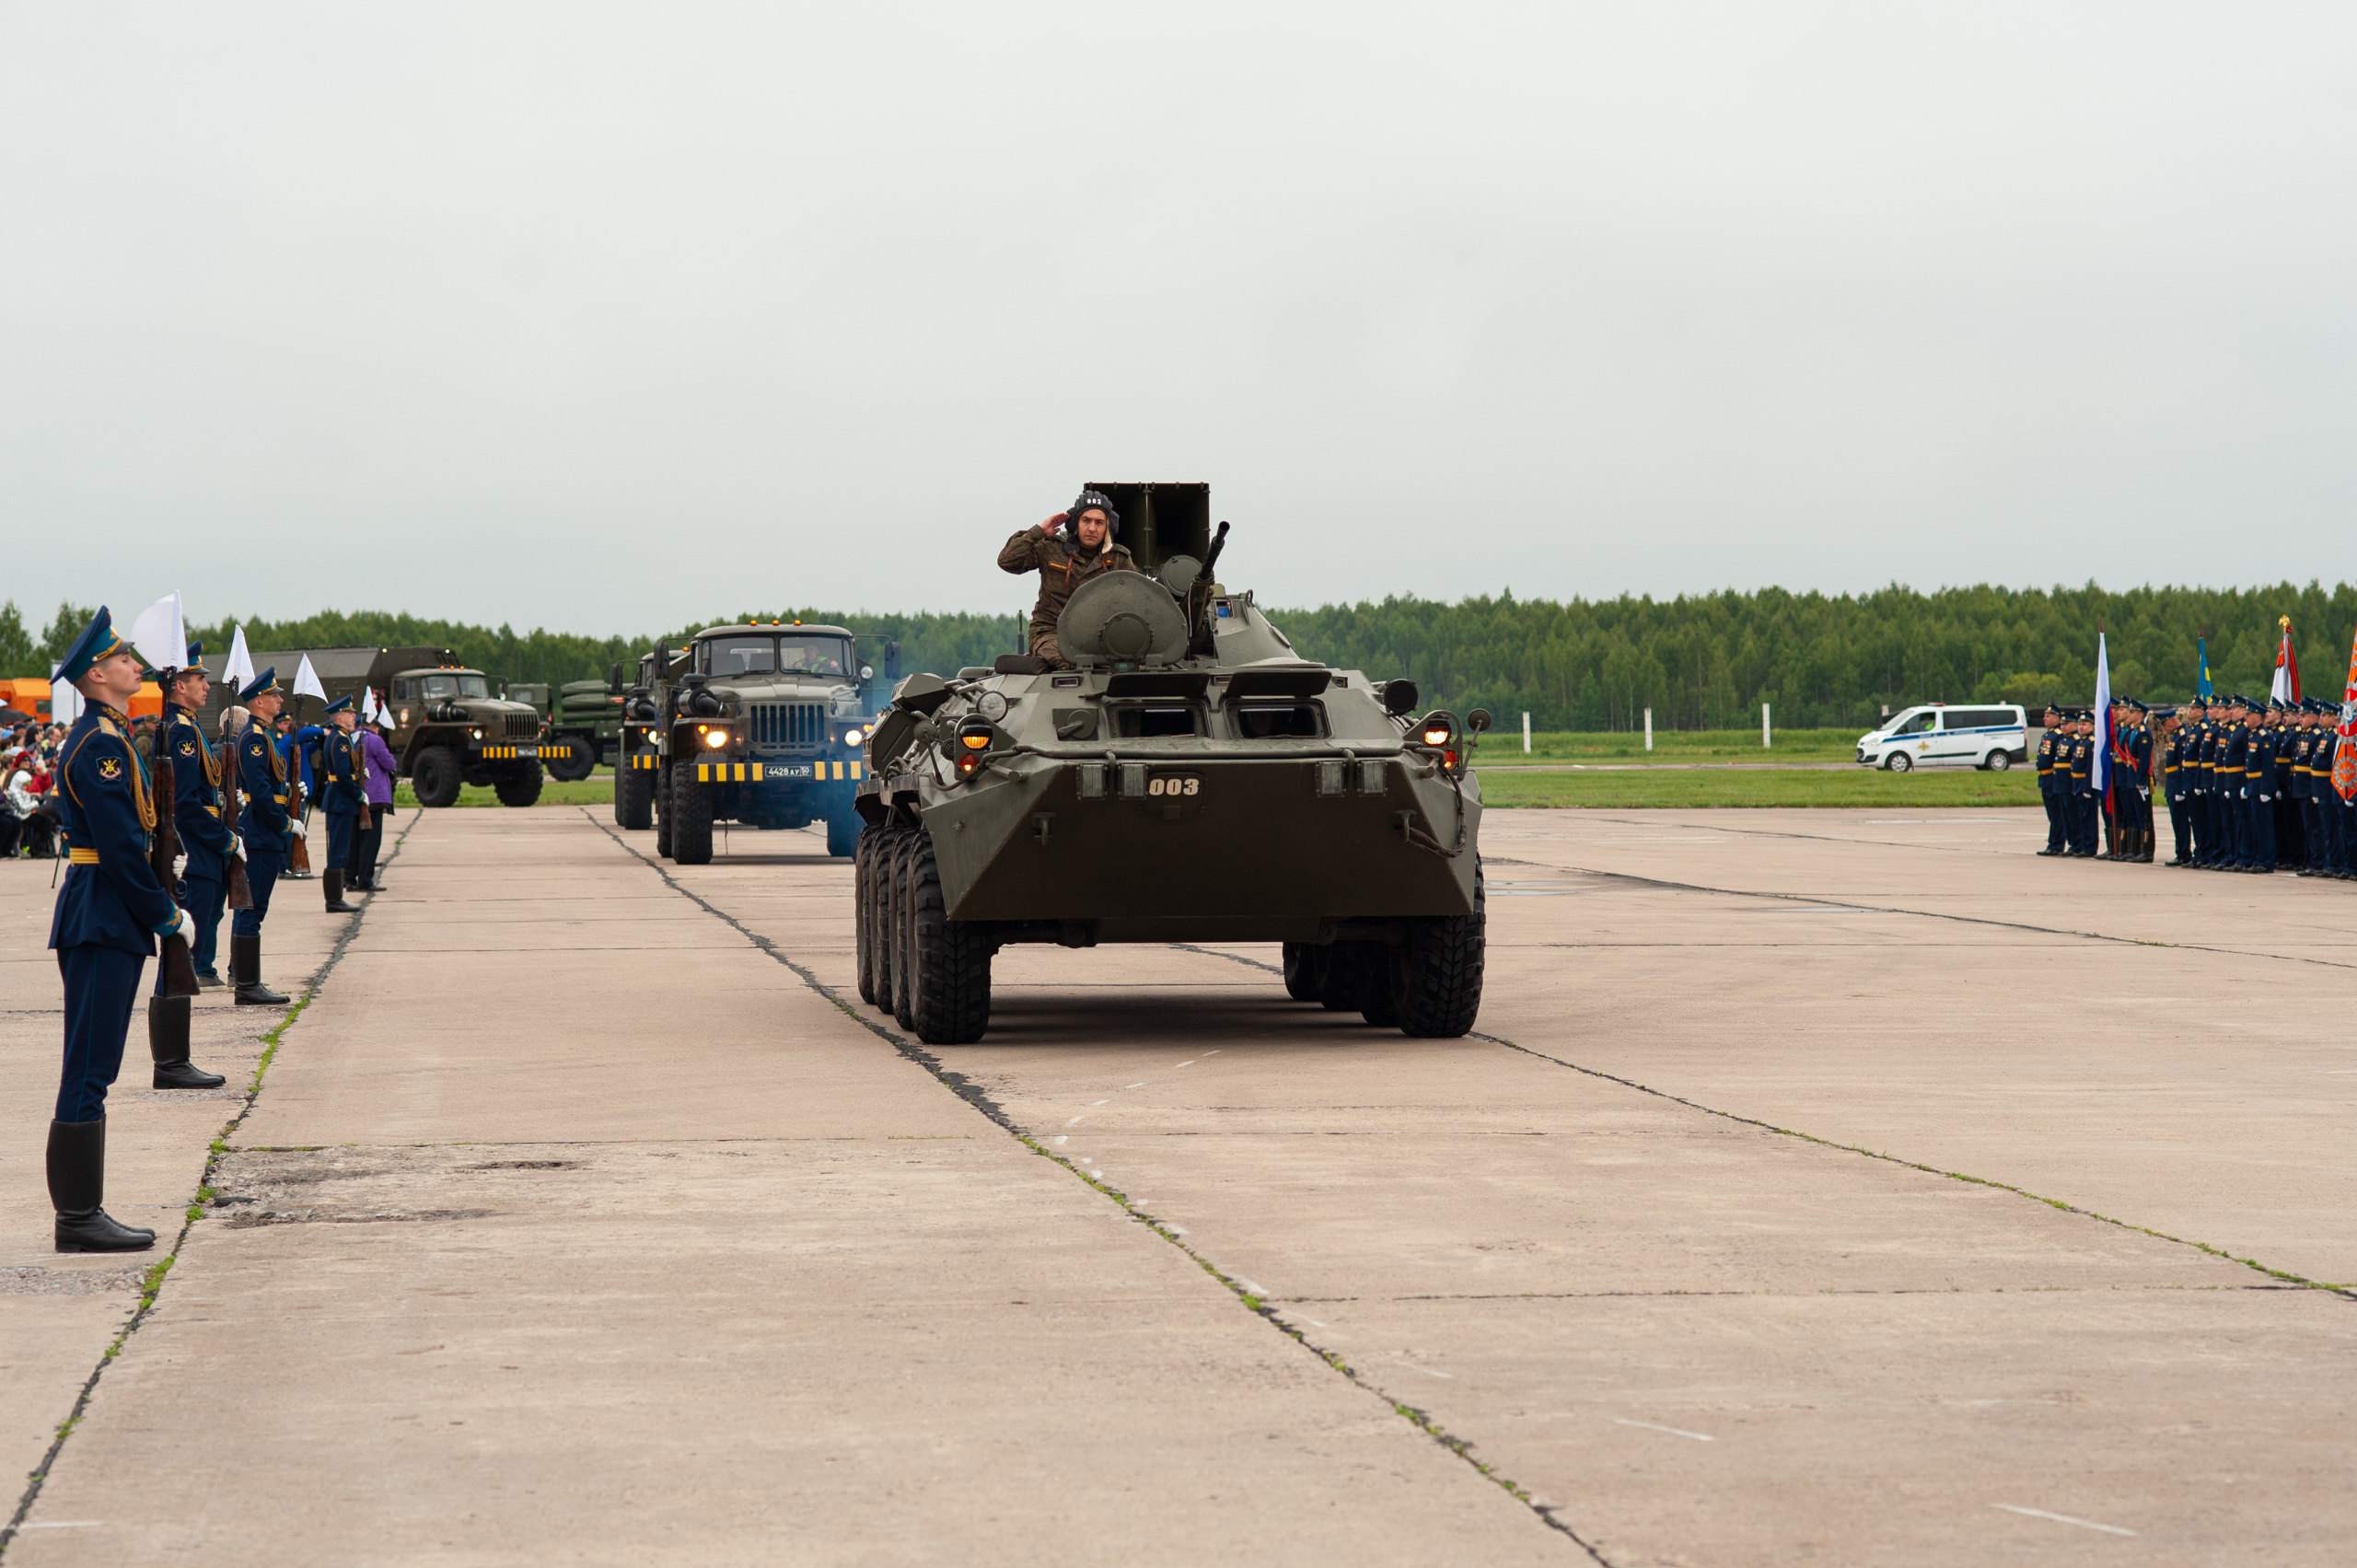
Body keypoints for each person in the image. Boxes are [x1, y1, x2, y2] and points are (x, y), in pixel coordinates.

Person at [43, 608, 197, 1252]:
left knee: (94, 1062)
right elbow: (119, 848)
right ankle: (78, 1216)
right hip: (103, 913)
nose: (137, 665)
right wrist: (163, 913)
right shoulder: (102, 745)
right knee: (88, 1066)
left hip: (103, 911)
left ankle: (83, 1209)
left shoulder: (107, 735)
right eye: (125, 659)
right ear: (98, 674)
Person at [996, 489, 1139, 668]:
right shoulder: (1052, 548)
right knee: (1075, 661)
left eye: (1099, 522)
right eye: (1086, 520)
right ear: (1075, 522)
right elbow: (1007, 561)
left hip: (1100, 638)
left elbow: (1139, 598)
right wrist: (1038, 532)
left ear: (1108, 527)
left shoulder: (1119, 559)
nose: (1092, 528)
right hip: (1050, 633)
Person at [230, 670, 298, 1005]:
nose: (280, 700)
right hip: (260, 832)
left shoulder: (263, 735)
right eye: (274, 696)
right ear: (258, 701)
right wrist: (284, 823)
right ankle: (246, 985)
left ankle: (246, 979)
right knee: (251, 908)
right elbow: (259, 791)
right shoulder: (254, 738)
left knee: (255, 906)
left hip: (264, 831)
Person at [315, 696, 363, 913]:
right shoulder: (340, 739)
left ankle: (335, 898)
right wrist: (359, 794)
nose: (354, 717)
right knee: (337, 851)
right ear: (340, 717)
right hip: (341, 800)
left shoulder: (340, 737)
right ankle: (334, 899)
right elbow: (343, 775)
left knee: (339, 849)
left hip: (340, 800)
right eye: (351, 714)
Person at [350, 713, 398, 891]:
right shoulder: (374, 739)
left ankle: (350, 877)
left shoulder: (352, 737)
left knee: (355, 839)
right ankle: (365, 880)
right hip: (375, 795)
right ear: (375, 727)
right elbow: (389, 764)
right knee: (371, 840)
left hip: (357, 793)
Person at [2034, 705, 2065, 856]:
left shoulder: (2058, 735)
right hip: (2045, 779)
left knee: (2057, 814)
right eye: (2044, 716)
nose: (2044, 719)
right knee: (2052, 814)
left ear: (2057, 718)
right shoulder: (2048, 735)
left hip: (2053, 778)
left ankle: (2057, 845)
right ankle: (2053, 842)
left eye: (2048, 716)